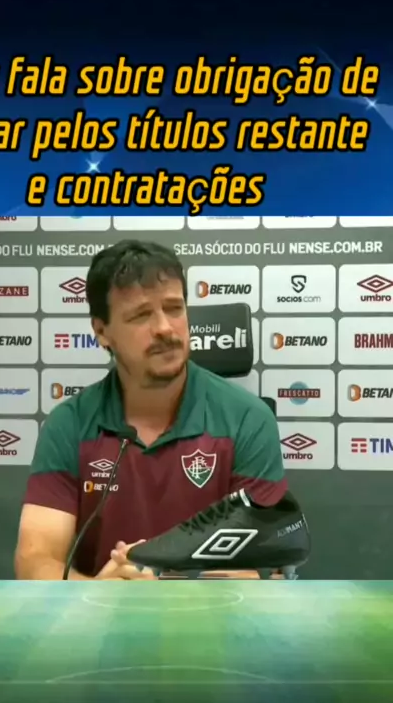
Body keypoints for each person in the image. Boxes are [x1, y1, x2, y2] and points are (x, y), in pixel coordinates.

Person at [15, 239, 288, 581]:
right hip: (99, 611)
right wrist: (99, 593)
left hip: (209, 615)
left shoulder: (247, 418)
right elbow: (35, 560)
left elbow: (262, 570)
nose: (164, 328)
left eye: (174, 308)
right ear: (102, 331)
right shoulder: (69, 425)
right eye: (141, 315)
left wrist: (160, 582)